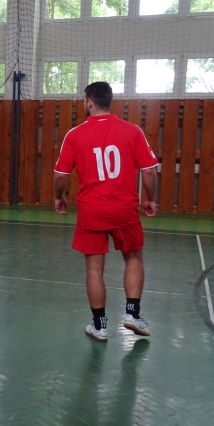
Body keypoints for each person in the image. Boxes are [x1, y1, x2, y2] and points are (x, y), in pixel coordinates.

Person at [53, 81, 158, 342]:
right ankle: (132, 314)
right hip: (124, 209)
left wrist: (59, 196)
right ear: (109, 101)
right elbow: (149, 171)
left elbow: (61, 175)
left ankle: (99, 326)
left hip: (92, 210)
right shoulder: (132, 131)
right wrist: (150, 199)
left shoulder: (75, 134)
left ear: (89, 102)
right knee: (134, 258)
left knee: (94, 269)